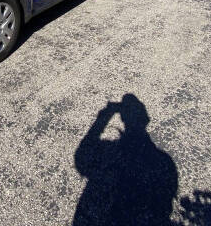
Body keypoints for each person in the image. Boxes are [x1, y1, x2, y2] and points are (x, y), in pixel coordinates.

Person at [74, 94, 178, 225]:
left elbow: (82, 159)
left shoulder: (109, 151)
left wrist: (106, 114)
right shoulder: (165, 161)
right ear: (146, 119)